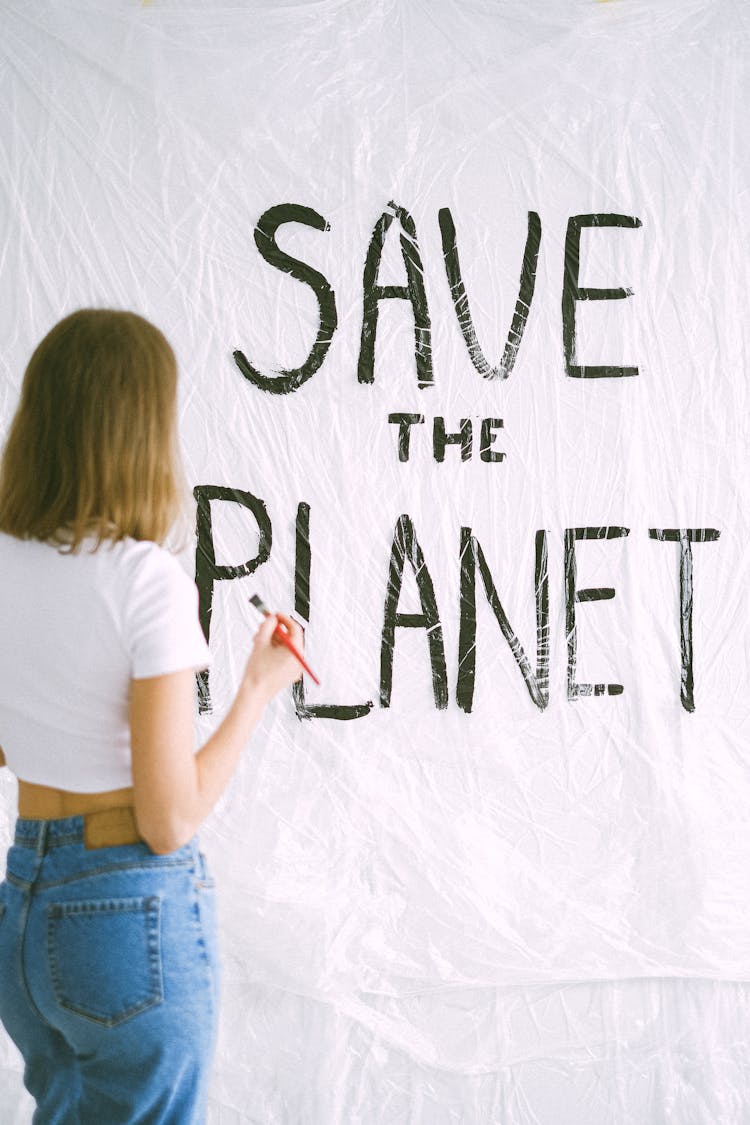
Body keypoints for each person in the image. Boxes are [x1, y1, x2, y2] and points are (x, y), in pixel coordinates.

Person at [0, 308, 303, 1123]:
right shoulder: (146, 580)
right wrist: (253, 692)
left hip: (24, 910)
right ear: (144, 431)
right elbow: (167, 818)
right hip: (123, 916)